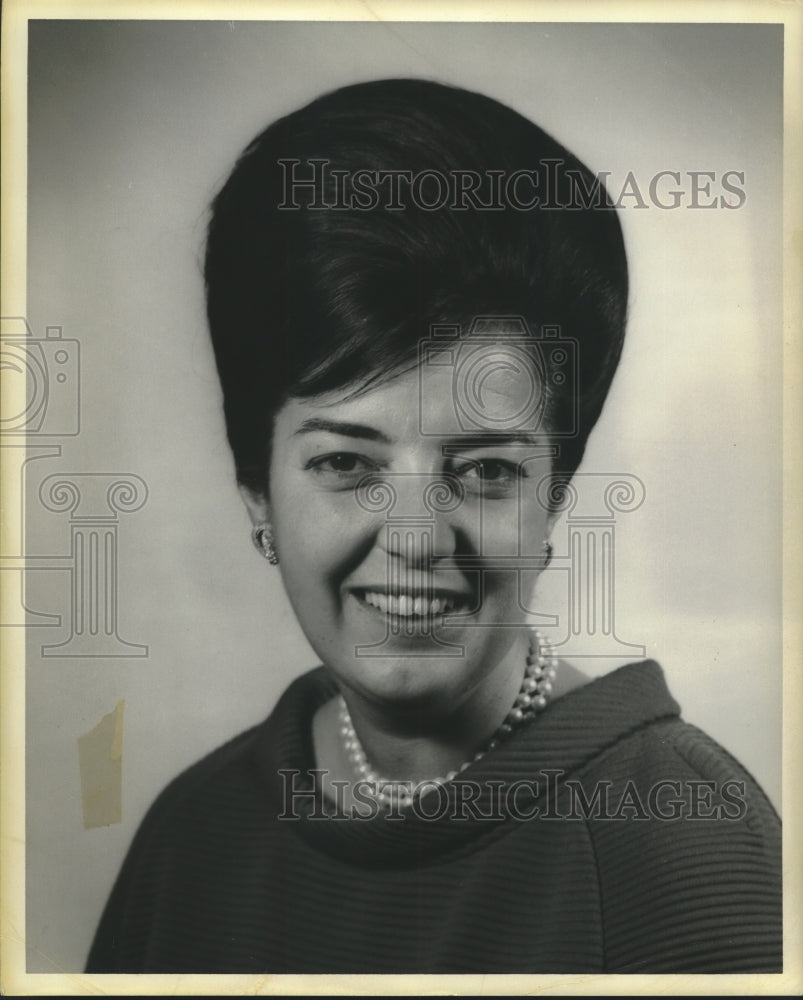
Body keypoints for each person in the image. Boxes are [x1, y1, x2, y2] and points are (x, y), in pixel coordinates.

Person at [85, 78, 781, 974]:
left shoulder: (687, 851)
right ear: (256, 490)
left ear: (555, 495)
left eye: (485, 470)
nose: (415, 539)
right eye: (346, 463)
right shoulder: (194, 833)